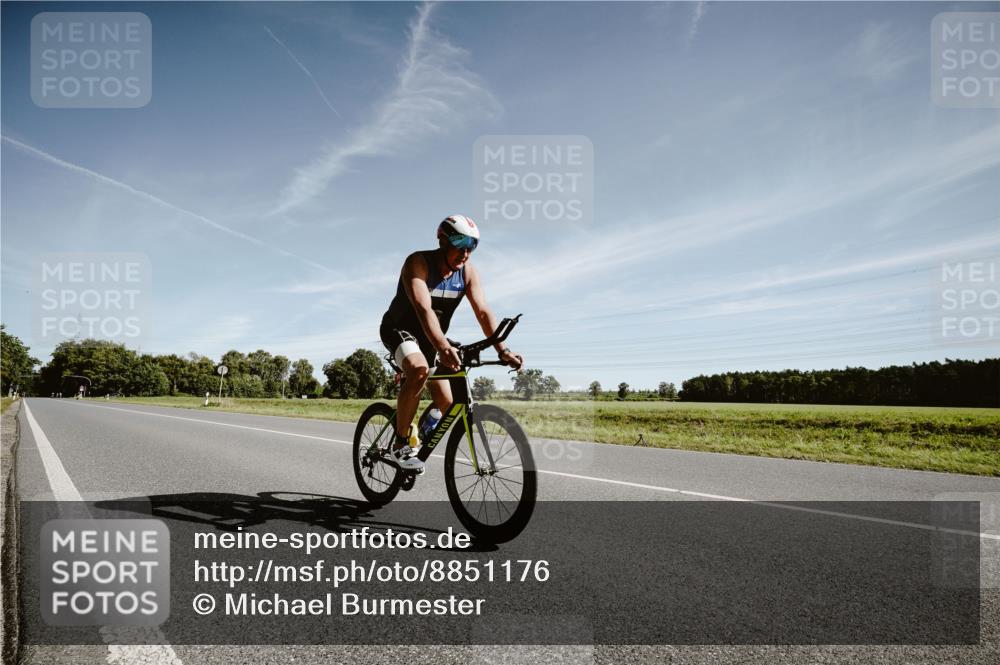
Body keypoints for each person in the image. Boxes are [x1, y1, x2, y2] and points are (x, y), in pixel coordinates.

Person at [380, 215, 524, 472]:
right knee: (418, 369)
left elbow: (482, 311)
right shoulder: (419, 263)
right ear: (443, 240)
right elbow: (424, 309)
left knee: (447, 402)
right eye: (460, 242)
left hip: (433, 338)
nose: (466, 252)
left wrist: (503, 350)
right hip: (399, 329)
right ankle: (400, 443)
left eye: (473, 245)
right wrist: (443, 347)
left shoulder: (468, 272)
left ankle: (418, 436)